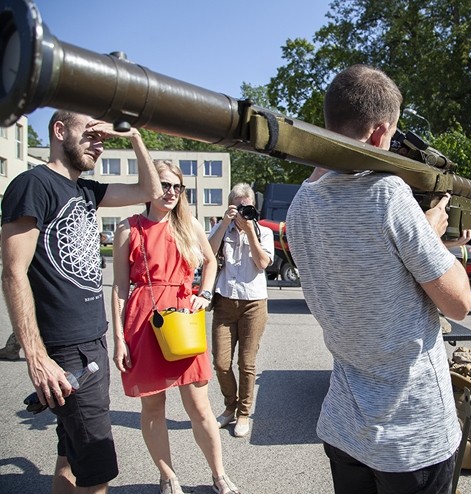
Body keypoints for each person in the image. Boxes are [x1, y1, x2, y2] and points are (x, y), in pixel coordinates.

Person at [286, 64, 471, 494]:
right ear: (378, 133)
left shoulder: (300, 206)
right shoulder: (389, 194)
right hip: (413, 436)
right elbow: (457, 303)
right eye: (391, 136)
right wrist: (434, 235)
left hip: (345, 426)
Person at [1, 110, 162, 493]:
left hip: (92, 342)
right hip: (64, 349)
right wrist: (37, 358)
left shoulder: (87, 189)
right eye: (89, 133)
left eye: (102, 137)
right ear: (59, 131)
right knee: (97, 471)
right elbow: (13, 273)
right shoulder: (33, 184)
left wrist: (135, 139)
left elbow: (149, 192)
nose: (99, 141)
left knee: (71, 458)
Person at [110, 160, 241, 494]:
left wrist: (206, 294)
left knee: (199, 406)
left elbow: (211, 260)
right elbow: (120, 288)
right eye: (164, 184)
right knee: (153, 406)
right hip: (142, 321)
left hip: (182, 320)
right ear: (150, 185)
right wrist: (119, 340)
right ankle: (168, 477)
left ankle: (219, 475)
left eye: (176, 187)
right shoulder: (128, 228)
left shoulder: (188, 225)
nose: (170, 192)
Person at [208, 184, 274, 438]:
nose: (244, 212)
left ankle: (244, 414)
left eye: (248, 207)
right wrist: (224, 224)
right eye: (239, 207)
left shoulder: (263, 232)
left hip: (253, 304)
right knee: (221, 363)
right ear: (231, 207)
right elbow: (208, 254)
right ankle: (229, 408)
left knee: (246, 363)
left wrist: (250, 232)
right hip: (225, 303)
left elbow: (262, 263)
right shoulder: (222, 229)